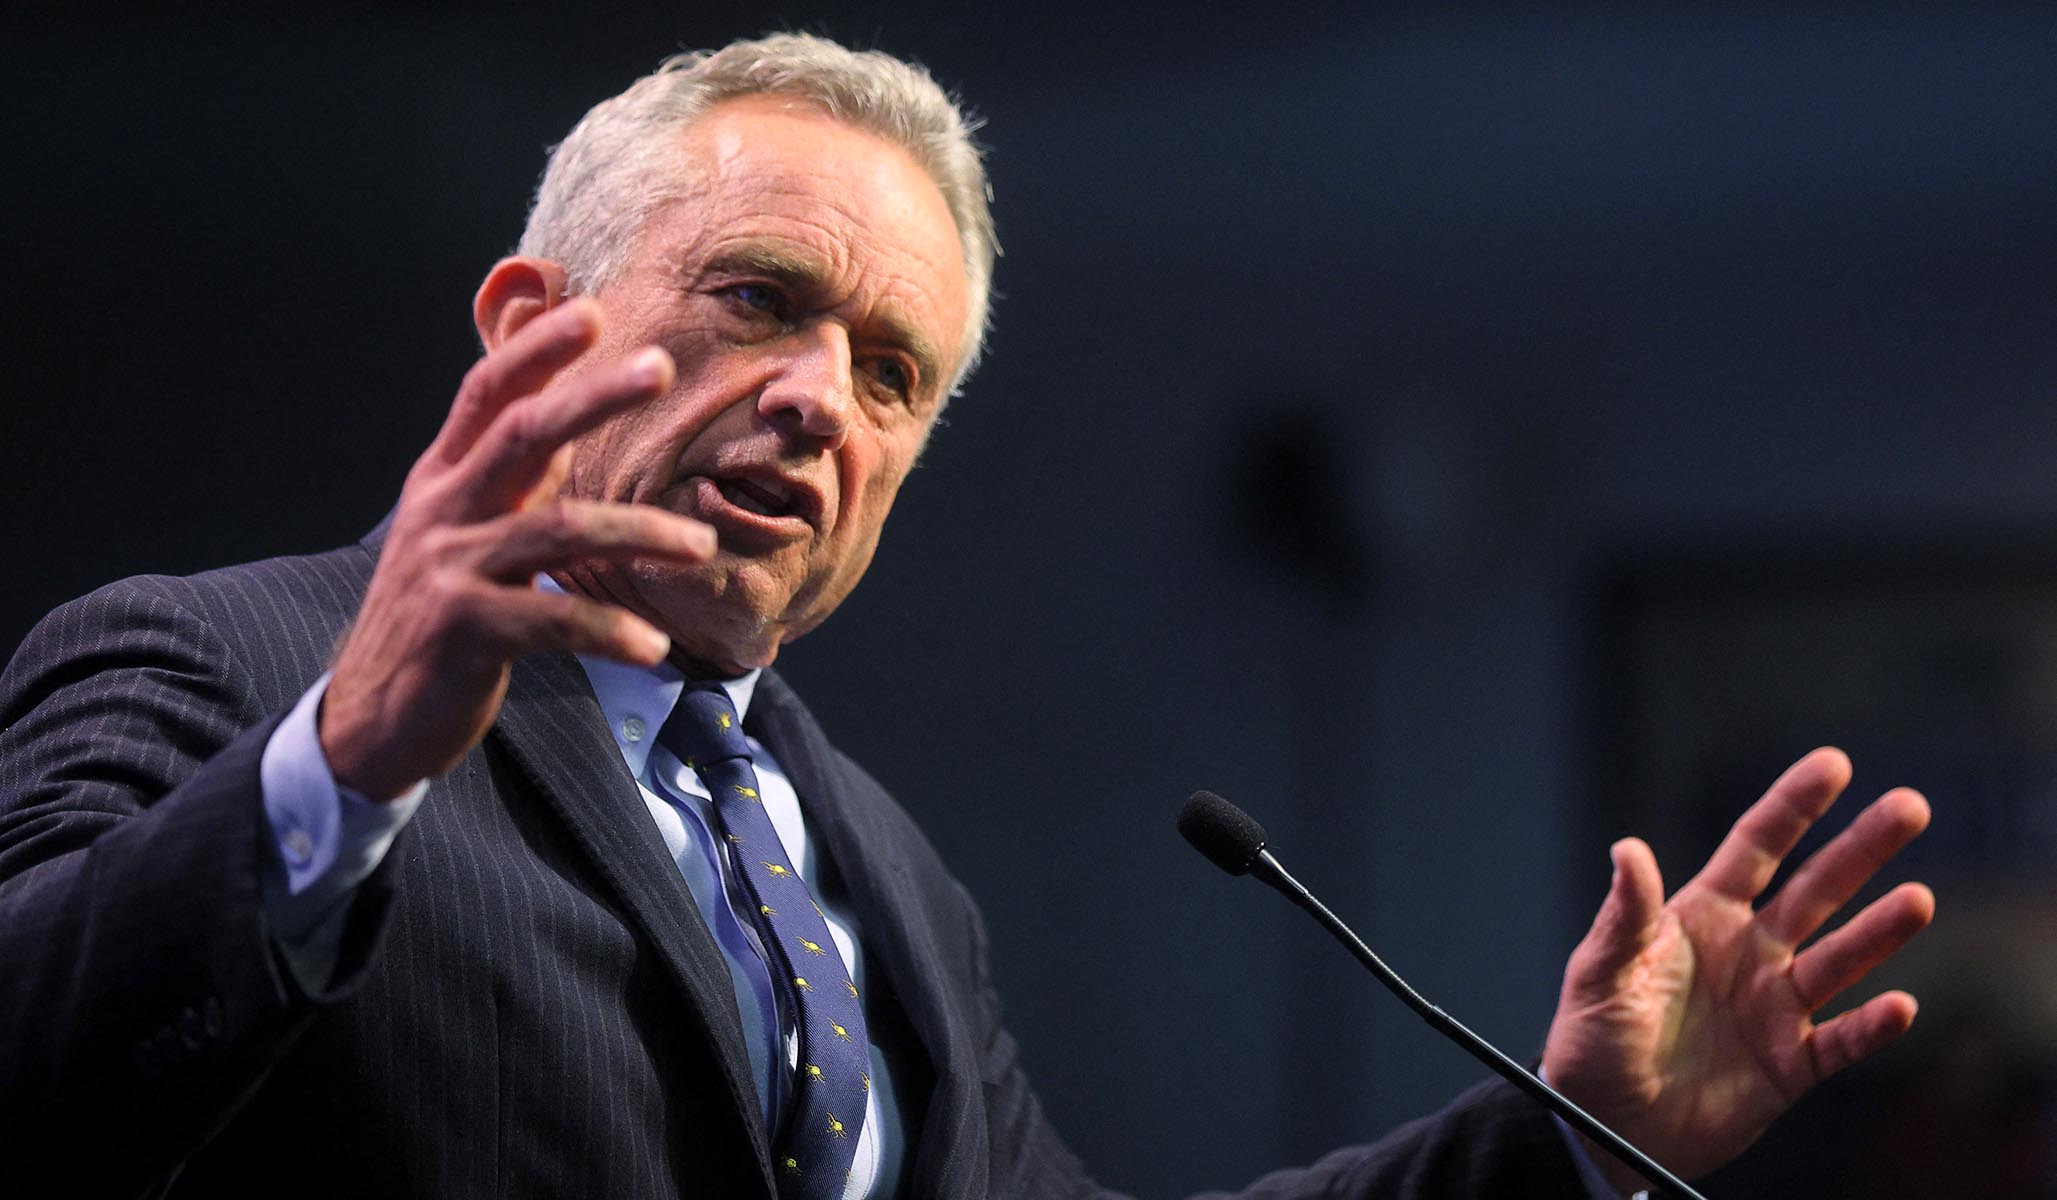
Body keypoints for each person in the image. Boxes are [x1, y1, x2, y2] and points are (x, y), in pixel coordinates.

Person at [0, 32, 1934, 1200]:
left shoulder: (878, 869)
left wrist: (1569, 1142)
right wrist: (343, 770)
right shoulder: (216, 669)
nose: (818, 402)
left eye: (892, 372)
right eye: (759, 299)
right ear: (529, 326)